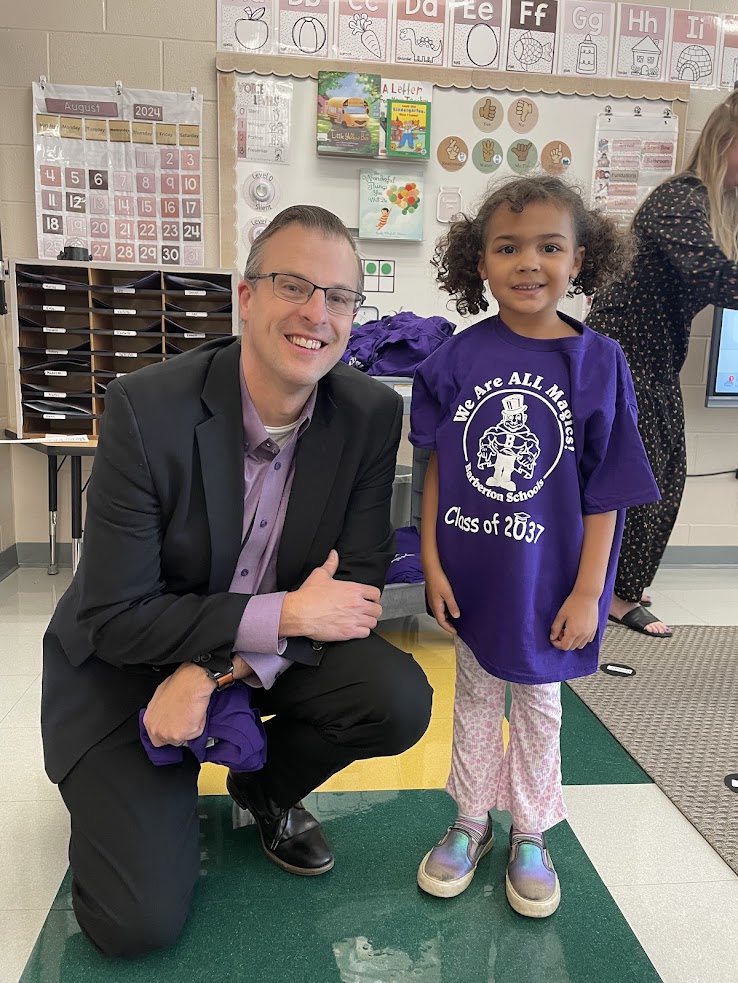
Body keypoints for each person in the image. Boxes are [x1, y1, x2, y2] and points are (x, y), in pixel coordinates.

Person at [41, 204, 433, 958]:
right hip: (124, 669)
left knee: (397, 697)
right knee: (135, 926)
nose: (316, 313)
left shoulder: (370, 416)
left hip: (249, 656)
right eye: (293, 284)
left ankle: (262, 788)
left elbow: (351, 593)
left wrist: (215, 670)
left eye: (340, 296)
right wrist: (282, 615)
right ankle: (132, 792)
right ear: (246, 296)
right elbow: (117, 616)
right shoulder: (145, 409)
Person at [409, 175, 659, 917]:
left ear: (579, 259)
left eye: (549, 246)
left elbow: (608, 488)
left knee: (541, 708)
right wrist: (429, 559)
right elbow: (436, 466)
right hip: (475, 576)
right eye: (508, 247)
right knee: (478, 699)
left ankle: (530, 830)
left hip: (549, 584)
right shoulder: (457, 358)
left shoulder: (600, 362)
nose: (528, 262)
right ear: (478, 262)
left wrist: (590, 590)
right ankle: (468, 821)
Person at [588, 89, 738, 637]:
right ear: (726, 139)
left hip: (653, 358)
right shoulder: (681, 199)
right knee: (643, 477)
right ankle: (614, 595)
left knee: (663, 474)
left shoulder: (719, 207)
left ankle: (619, 588)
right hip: (623, 353)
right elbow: (718, 278)